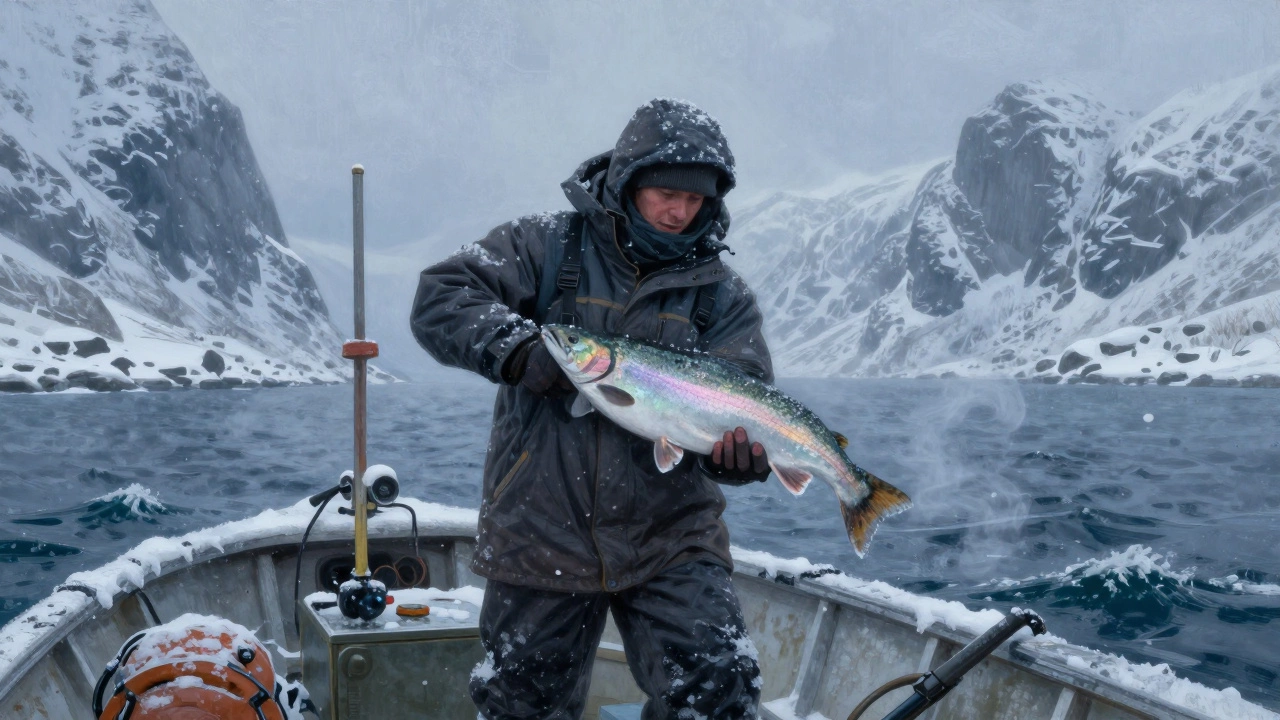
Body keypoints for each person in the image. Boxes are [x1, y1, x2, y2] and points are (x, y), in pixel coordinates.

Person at [411, 98, 773, 720]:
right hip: (540, 528)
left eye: (696, 200)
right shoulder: (544, 245)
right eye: (666, 192)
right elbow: (441, 297)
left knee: (720, 691)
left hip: (673, 536)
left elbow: (744, 390)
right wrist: (519, 350)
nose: (680, 211)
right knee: (521, 708)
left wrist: (735, 460)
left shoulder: (722, 295)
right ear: (627, 179)